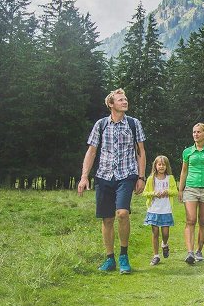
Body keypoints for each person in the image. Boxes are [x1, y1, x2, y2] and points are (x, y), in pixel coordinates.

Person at [77, 88, 146, 274]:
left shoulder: (133, 124)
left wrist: (141, 176)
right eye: (120, 99)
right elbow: (91, 151)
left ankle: (124, 256)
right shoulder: (101, 125)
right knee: (107, 219)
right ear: (111, 104)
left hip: (127, 174)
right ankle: (110, 258)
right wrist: (84, 176)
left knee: (122, 213)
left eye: (126, 99)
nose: (125, 101)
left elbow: (141, 151)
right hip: (104, 176)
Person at [178, 123, 204, 265]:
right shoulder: (187, 152)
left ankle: (199, 250)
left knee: (203, 221)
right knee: (190, 220)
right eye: (194, 132)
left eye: (199, 132)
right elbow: (184, 171)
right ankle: (190, 253)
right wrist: (180, 189)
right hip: (190, 189)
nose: (196, 134)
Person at [142, 155, 178, 265]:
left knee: (165, 232)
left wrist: (167, 192)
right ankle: (156, 255)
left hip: (166, 209)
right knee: (155, 232)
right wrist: (153, 193)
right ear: (155, 166)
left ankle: (164, 244)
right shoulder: (151, 179)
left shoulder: (170, 178)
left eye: (164, 164)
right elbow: (145, 193)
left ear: (167, 166)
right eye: (159, 164)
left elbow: (175, 191)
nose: (161, 166)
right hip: (153, 209)